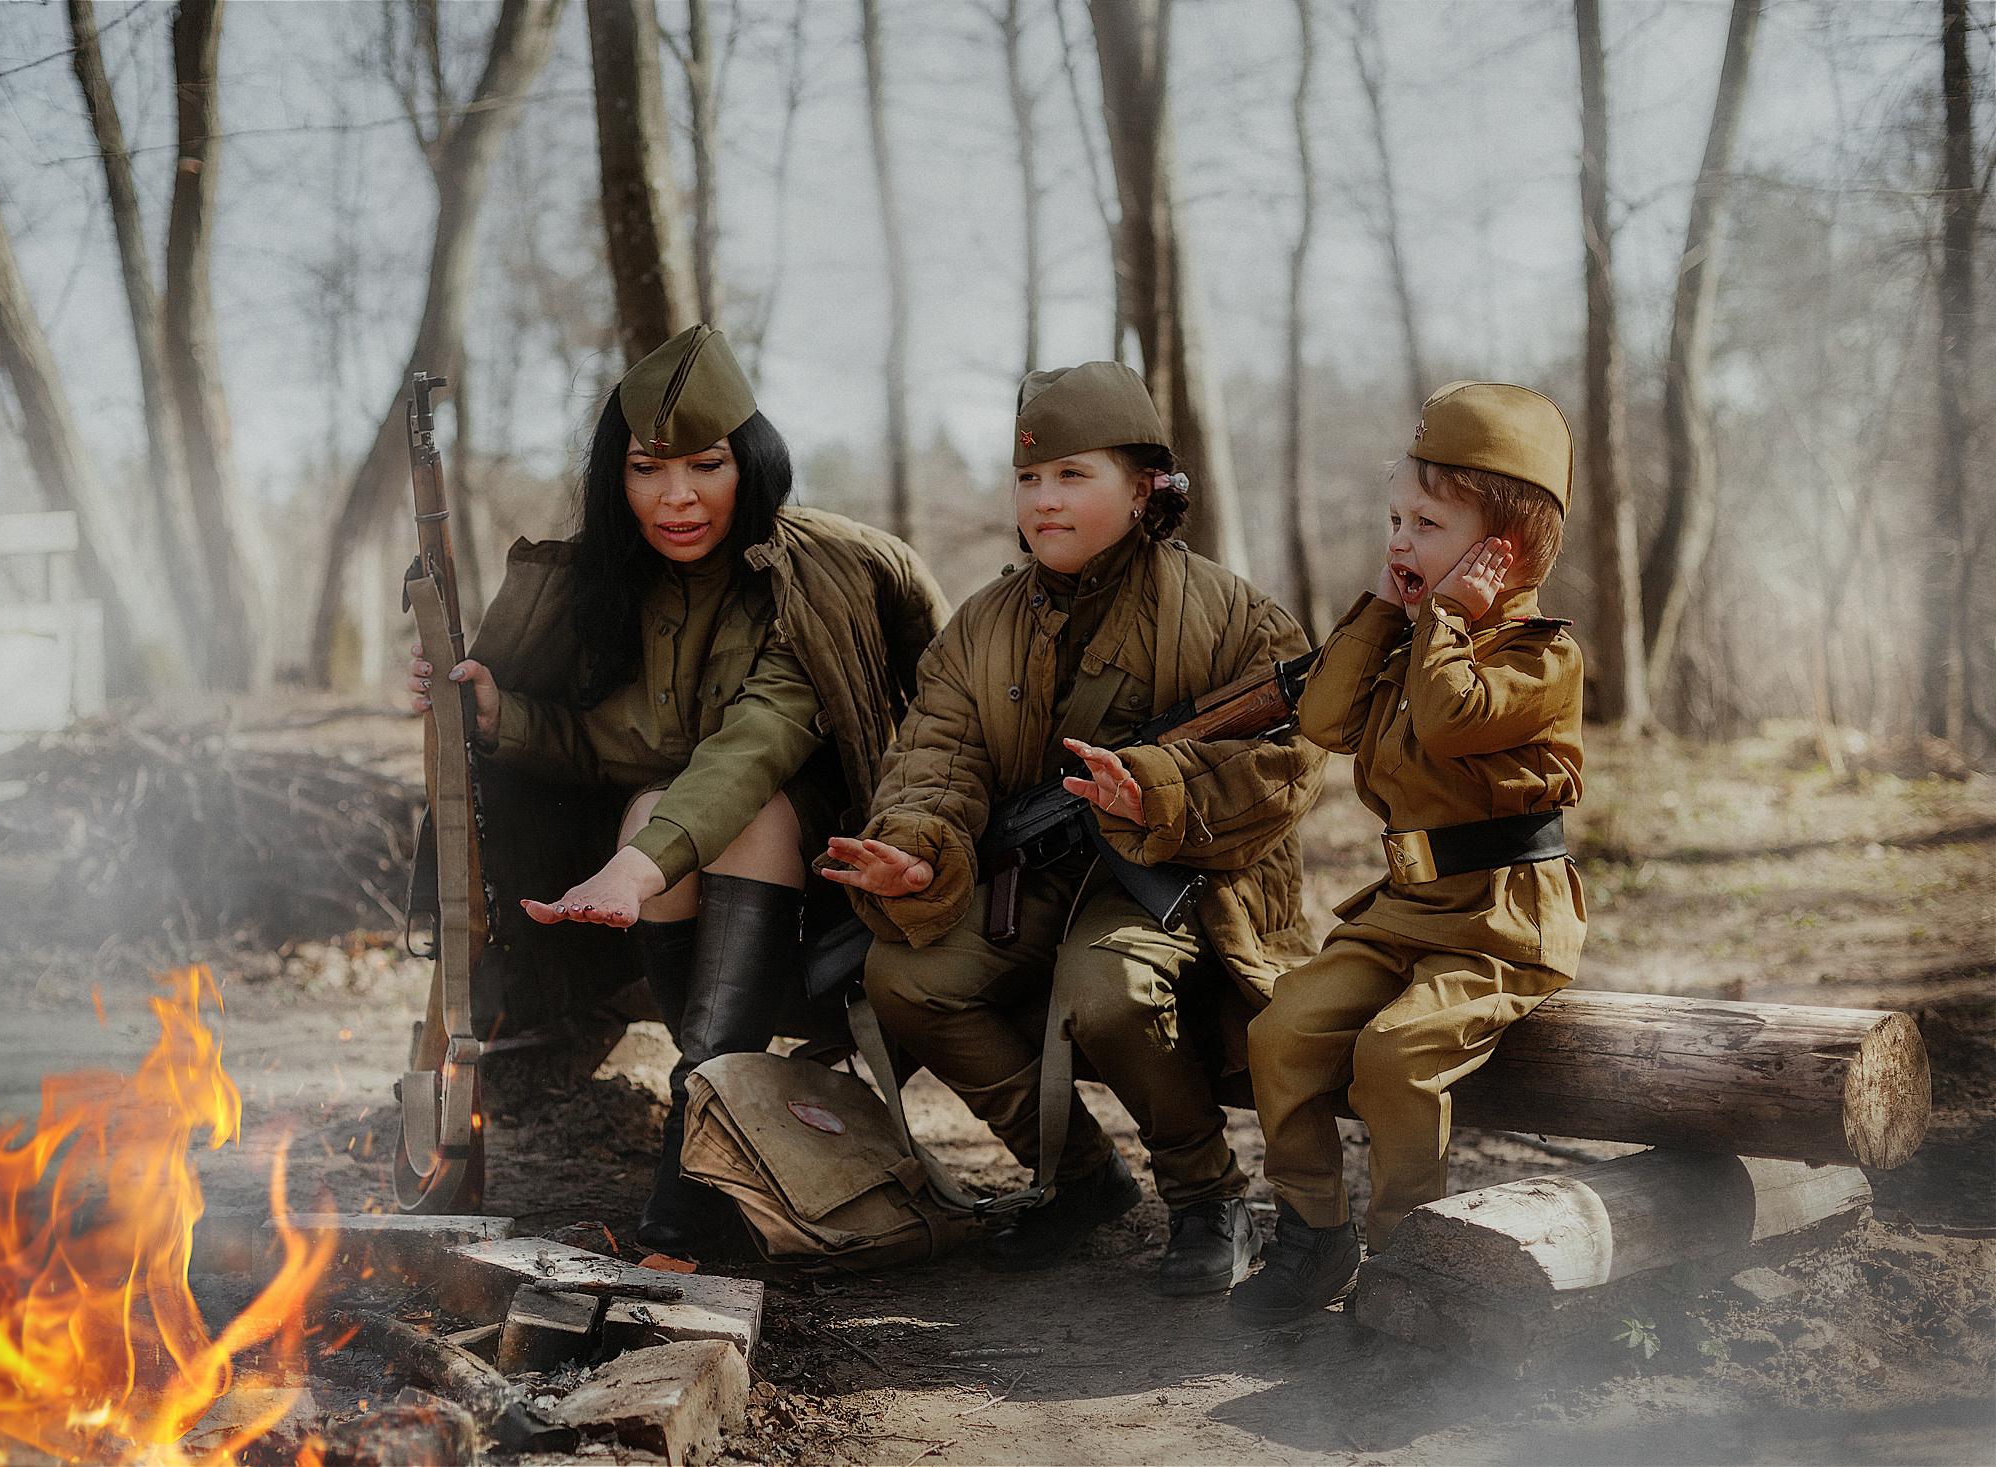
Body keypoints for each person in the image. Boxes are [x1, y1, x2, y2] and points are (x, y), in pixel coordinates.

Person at [408, 325, 946, 1253]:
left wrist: (637, 870)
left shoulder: (803, 576)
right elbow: (607, 745)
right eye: (649, 468)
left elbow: (756, 745)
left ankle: (694, 1141)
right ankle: (703, 1123)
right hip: (664, 858)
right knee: (656, 803)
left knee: (737, 813)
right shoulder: (609, 586)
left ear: (753, 464)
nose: (678, 496)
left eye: (707, 464)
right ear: (616, 478)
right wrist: (502, 717)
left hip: (826, 881)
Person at [824, 362, 1326, 1295]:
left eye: (1071, 476)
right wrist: (916, 850)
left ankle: (1207, 1195)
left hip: (1188, 877)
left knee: (1108, 990)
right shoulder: (979, 628)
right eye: (1027, 479)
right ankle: (1082, 1176)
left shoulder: (1232, 615)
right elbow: (939, 758)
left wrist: (1159, 792)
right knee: (904, 975)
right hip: (1042, 870)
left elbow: (1288, 767)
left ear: (1144, 489)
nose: (1043, 501)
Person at [1233, 381, 1586, 1328]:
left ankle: (1410, 1260)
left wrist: (1447, 621)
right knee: (1284, 1029)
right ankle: (1313, 1234)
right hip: (1404, 907)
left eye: (1426, 523)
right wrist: (1389, 611)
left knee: (1395, 1058)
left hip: (1499, 922)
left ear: (1498, 550)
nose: (1398, 540)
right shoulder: (1418, 637)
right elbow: (1323, 719)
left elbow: (1450, 718)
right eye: (1394, 517)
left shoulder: (1538, 656)